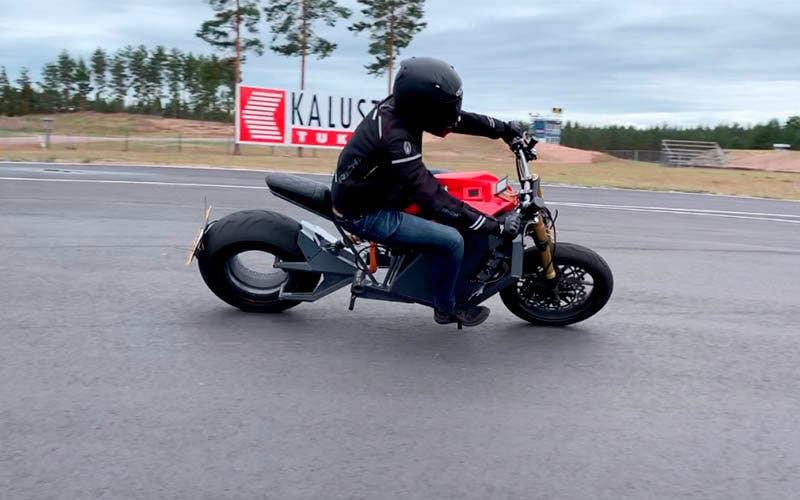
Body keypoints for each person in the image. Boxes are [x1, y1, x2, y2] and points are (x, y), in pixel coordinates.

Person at [331, 56, 530, 327]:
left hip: (382, 187)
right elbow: (433, 199)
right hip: (365, 211)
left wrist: (505, 130)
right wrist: (492, 226)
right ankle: (446, 307)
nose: (451, 114)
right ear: (422, 107)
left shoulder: (403, 108)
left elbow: (458, 120)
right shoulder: (395, 138)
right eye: (445, 108)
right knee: (452, 241)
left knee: (447, 179)